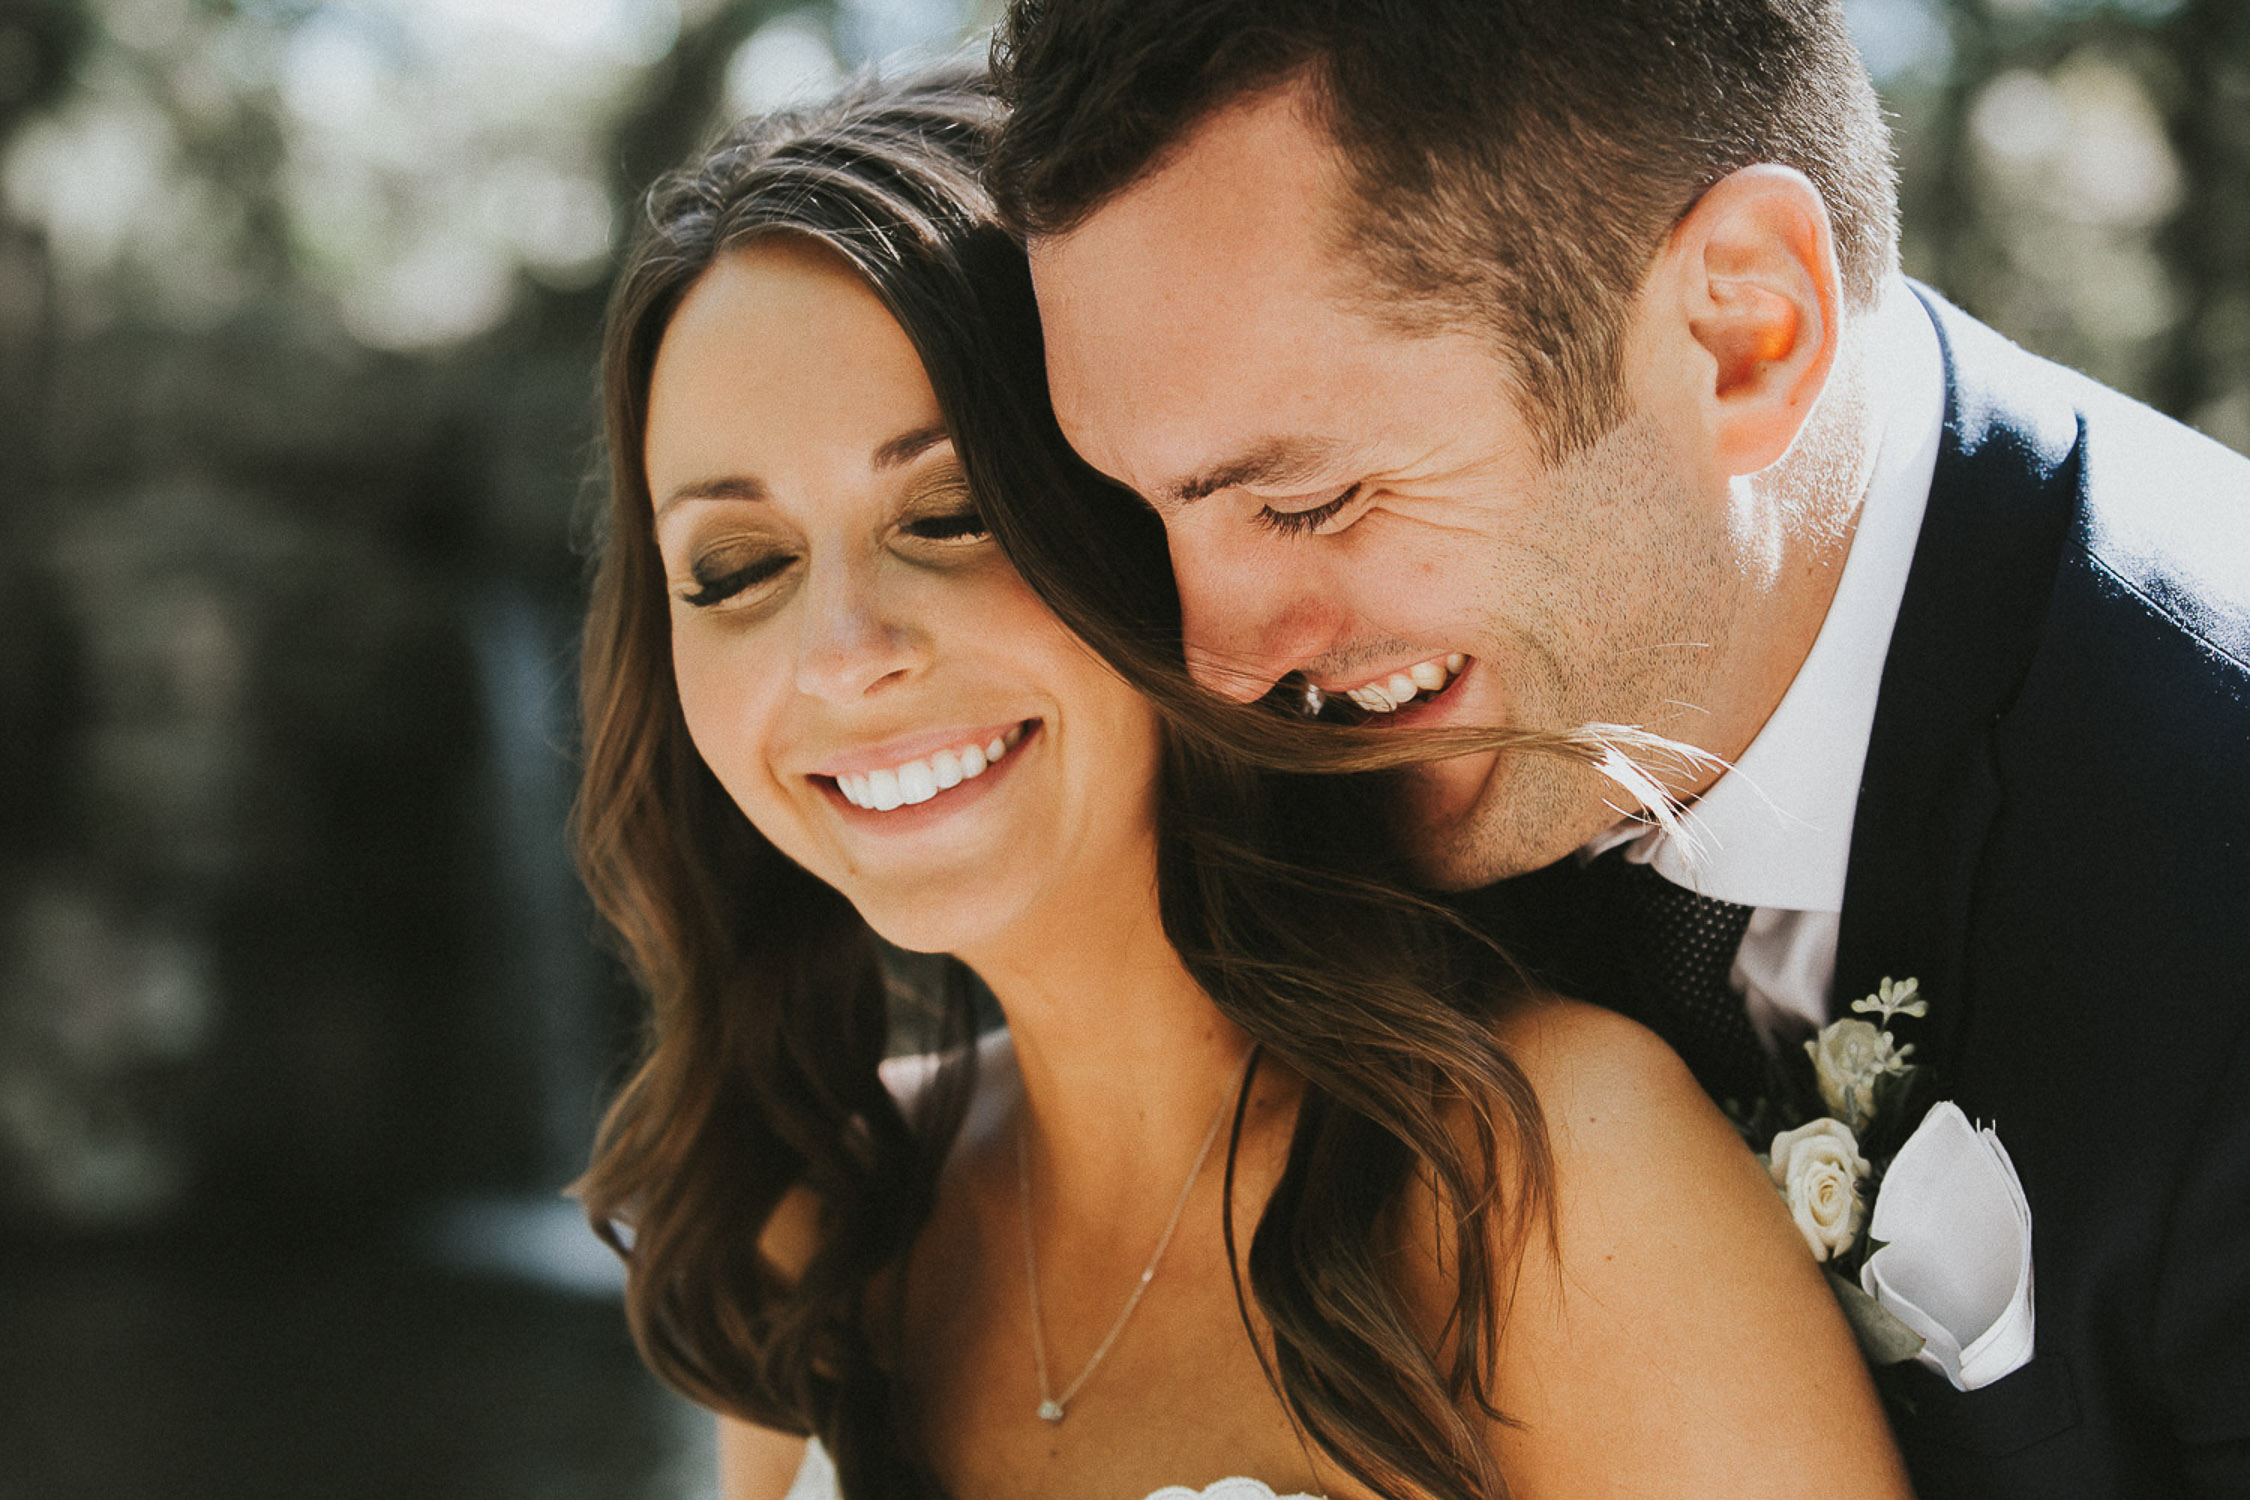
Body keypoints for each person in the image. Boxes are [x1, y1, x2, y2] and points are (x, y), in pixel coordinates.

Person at [572, 68, 1911, 1500]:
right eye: (737, 568)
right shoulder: (821, 1218)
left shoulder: (1543, 1178)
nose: (841, 657)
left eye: (950, 516)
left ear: (1146, 522)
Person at [986, 2, 2250, 1495]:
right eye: (1148, 511)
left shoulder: (2207, 845)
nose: (1217, 662)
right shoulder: (1309, 798)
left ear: (1739, 334)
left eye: (1310, 501)